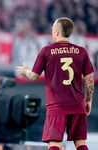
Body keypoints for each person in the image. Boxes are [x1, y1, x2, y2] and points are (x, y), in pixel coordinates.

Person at [17, 17, 94, 150]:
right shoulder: (81, 51)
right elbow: (89, 79)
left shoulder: (47, 51)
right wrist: (88, 100)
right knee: (80, 142)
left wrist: (25, 71)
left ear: (57, 32)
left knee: (54, 143)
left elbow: (34, 76)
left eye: (53, 30)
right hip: (77, 104)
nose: (52, 33)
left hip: (56, 106)